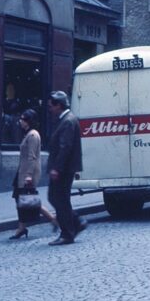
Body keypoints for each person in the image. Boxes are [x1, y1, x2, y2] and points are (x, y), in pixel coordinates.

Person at [9, 109, 58, 239]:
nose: (20, 121)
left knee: (29, 200)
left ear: (29, 121)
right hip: (22, 171)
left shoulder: (32, 135)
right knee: (21, 199)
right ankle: (22, 227)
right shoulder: (28, 134)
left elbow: (32, 157)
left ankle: (52, 219)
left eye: (23, 119)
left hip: (27, 172)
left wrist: (29, 175)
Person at [47, 91, 87, 245]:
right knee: (57, 198)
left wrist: (57, 168)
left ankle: (67, 233)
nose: (50, 109)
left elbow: (65, 147)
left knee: (59, 199)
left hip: (64, 169)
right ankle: (76, 222)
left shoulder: (68, 121)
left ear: (59, 105)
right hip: (64, 168)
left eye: (52, 106)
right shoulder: (65, 119)